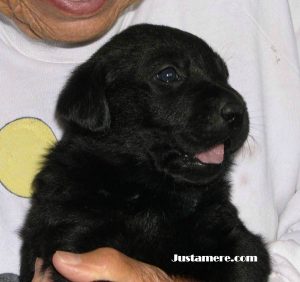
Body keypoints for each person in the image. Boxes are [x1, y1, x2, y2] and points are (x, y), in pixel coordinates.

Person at [0, 0, 300, 281]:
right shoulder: (76, 207)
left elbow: (247, 261)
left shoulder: (202, 205)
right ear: (94, 106)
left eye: (219, 77)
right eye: (168, 77)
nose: (229, 101)